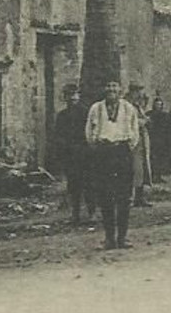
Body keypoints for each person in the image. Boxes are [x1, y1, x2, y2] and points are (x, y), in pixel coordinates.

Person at [85, 80, 142, 249]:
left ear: (120, 89)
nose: (111, 89)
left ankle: (122, 237)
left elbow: (135, 130)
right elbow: (89, 130)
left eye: (115, 86)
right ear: (104, 89)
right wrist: (96, 145)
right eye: (108, 86)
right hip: (103, 152)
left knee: (123, 197)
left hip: (122, 152)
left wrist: (127, 146)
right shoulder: (96, 108)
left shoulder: (128, 108)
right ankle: (109, 238)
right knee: (105, 196)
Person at [53, 84, 92, 224]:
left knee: (89, 185)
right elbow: (58, 136)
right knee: (73, 185)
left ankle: (90, 213)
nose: (72, 98)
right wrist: (63, 152)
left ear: (78, 96)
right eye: (68, 95)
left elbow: (90, 133)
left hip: (85, 154)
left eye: (74, 94)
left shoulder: (86, 113)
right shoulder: (62, 116)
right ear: (65, 97)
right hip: (70, 155)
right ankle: (75, 214)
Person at [127, 84, 153, 207]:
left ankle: (140, 197)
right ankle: (130, 198)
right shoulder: (126, 105)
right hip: (133, 141)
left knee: (142, 169)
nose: (140, 95)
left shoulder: (138, 106)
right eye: (138, 92)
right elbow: (128, 121)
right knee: (134, 169)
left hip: (142, 141)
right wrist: (142, 121)